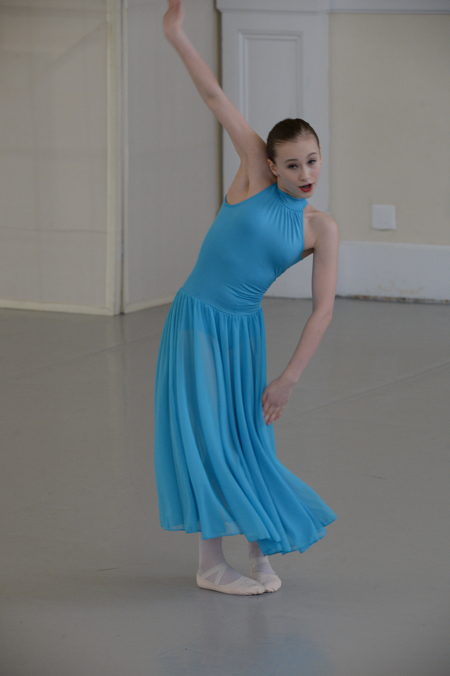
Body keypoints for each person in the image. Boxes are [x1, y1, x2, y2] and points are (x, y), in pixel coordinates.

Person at [153, 0, 339, 596]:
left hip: (244, 331)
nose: (305, 173)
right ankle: (211, 564)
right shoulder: (253, 175)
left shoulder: (320, 228)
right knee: (211, 438)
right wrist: (176, 33)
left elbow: (324, 309)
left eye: (312, 161)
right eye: (293, 164)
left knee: (250, 440)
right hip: (197, 321)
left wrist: (288, 379)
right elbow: (214, 97)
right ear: (271, 165)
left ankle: (260, 554)